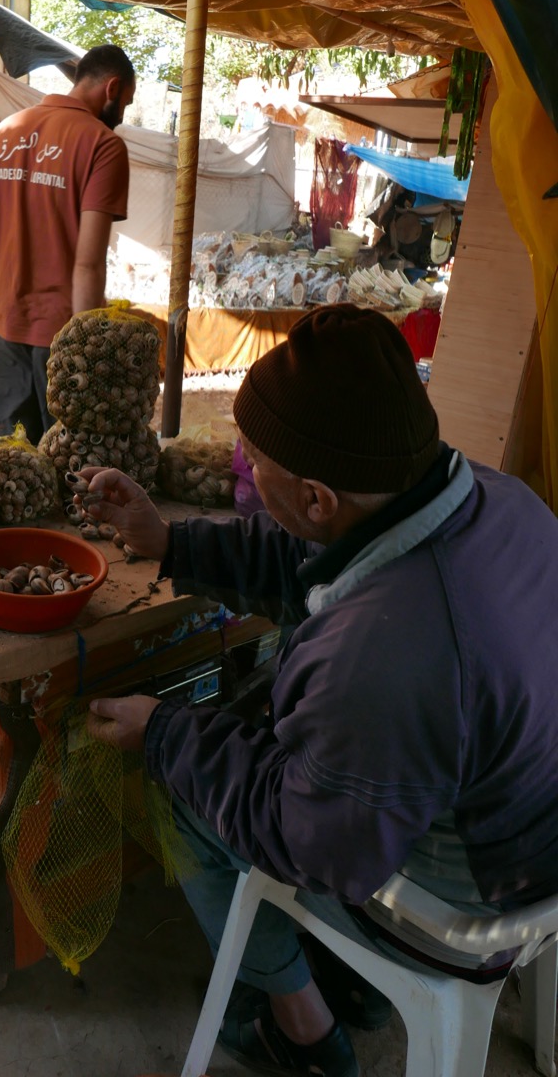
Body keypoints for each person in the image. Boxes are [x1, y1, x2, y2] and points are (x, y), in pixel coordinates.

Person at [80, 304, 558, 1077]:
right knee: (252, 728)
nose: (242, 464)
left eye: (252, 458)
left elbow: (312, 842)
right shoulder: (494, 498)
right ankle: (361, 988)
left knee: (188, 786)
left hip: (482, 892)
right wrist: (169, 539)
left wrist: (163, 732)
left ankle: (303, 1031)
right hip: (529, 814)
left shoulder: (387, 655)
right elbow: (320, 558)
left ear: (315, 496)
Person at [0, 45, 135, 445]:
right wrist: (88, 354)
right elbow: (88, 266)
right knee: (66, 473)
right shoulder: (103, 146)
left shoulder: (3, 133)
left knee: (6, 476)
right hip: (63, 340)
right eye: (125, 103)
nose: (121, 116)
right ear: (113, 88)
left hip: (3, 333)